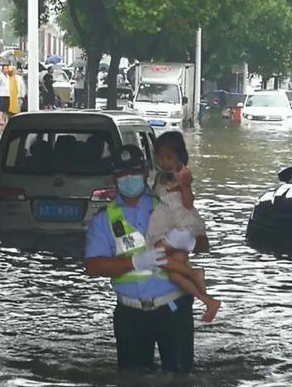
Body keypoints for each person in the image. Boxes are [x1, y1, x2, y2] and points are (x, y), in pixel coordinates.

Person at [85, 145, 204, 373]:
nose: (128, 178)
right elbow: (92, 266)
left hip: (173, 308)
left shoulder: (169, 203)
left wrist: (183, 238)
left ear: (146, 172)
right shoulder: (105, 218)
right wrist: (135, 263)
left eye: (134, 172)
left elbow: (203, 244)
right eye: (122, 173)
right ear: (115, 178)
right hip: (130, 315)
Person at [147, 131, 220, 322]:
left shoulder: (183, 175)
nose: (163, 161)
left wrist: (185, 187)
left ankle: (195, 273)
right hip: (168, 226)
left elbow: (188, 204)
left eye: (168, 157)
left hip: (183, 226)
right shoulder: (159, 176)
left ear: (180, 156)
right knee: (174, 274)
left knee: (157, 255)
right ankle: (208, 301)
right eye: (160, 157)